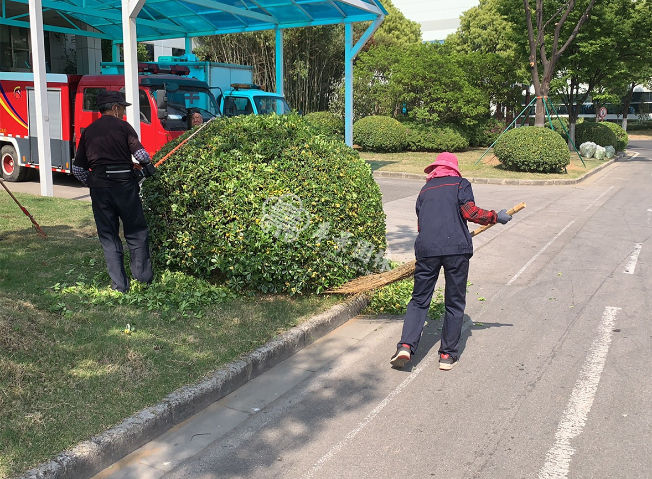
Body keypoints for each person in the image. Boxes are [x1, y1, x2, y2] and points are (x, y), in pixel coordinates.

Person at [390, 152, 512, 371]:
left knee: (419, 299)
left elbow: (421, 224)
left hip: (427, 250)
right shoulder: (460, 184)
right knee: (454, 301)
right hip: (456, 249)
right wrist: (496, 217)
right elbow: (470, 212)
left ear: (435, 169)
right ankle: (447, 355)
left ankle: (406, 345)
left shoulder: (425, 190)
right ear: (454, 169)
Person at [72, 90, 155, 293]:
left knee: (109, 235)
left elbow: (77, 169)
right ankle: (143, 279)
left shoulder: (88, 131)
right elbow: (143, 156)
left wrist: (93, 182)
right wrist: (146, 167)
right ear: (115, 108)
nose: (123, 113)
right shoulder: (124, 127)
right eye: (122, 109)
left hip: (100, 190)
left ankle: (119, 285)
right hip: (125, 187)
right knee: (136, 232)